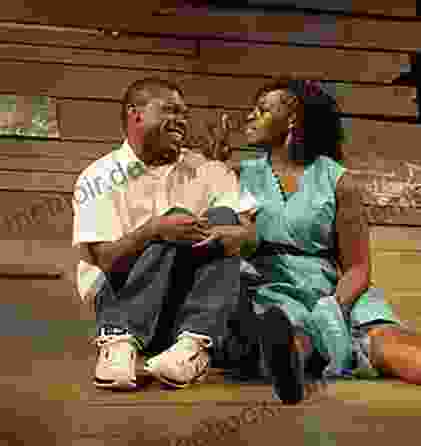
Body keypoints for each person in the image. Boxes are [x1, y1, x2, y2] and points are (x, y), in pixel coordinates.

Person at [205, 78, 421, 404]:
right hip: (269, 283)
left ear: (292, 119)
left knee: (386, 343)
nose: (249, 116)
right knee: (291, 334)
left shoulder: (337, 180)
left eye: (261, 110)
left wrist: (333, 306)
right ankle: (289, 374)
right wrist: (212, 167)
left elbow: (359, 267)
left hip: (332, 287)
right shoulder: (238, 174)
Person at [72, 77, 305, 404]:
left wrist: (235, 234)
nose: (182, 119)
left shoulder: (207, 169)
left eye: (184, 112)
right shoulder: (98, 177)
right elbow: (106, 260)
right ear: (135, 114)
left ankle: (192, 347)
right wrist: (154, 230)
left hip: (190, 303)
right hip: (124, 298)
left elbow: (250, 236)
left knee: (223, 219)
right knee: (176, 217)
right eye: (170, 110)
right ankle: (118, 343)